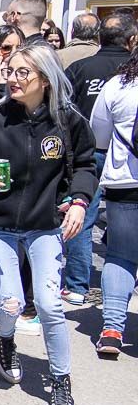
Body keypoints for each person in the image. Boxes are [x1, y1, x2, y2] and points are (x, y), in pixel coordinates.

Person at [0, 43, 96, 405]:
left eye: (23, 72)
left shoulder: (68, 121)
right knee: (9, 303)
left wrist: (80, 202)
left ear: (46, 78)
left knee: (51, 305)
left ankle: (60, 381)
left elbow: (85, 165)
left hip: (44, 226)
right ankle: (4, 339)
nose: (13, 79)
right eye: (10, 70)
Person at [62, 13, 137, 305]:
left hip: (89, 150)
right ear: (131, 40)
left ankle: (77, 285)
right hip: (124, 159)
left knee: (84, 214)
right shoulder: (129, 72)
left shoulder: (81, 67)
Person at [89, 41, 138, 355]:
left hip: (125, 182)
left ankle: (111, 330)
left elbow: (99, 135)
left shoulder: (119, 85)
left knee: (121, 255)